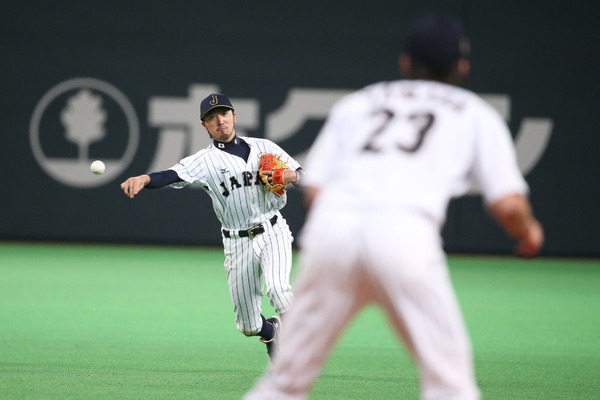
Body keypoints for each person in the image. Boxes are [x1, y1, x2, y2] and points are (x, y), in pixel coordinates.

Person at [243, 14, 544, 400]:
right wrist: (528, 231)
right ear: (462, 66)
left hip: (332, 231)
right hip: (405, 238)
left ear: (405, 62)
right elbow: (507, 205)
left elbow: (315, 189)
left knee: (284, 382)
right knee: (449, 386)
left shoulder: (360, 102)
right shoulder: (474, 112)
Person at [120, 93, 303, 360]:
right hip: (237, 242)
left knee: (278, 289)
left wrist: (292, 176)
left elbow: (304, 174)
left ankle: (301, 351)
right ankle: (271, 331)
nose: (220, 120)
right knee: (248, 326)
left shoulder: (265, 147)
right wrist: (146, 178)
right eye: (211, 117)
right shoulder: (204, 161)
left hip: (272, 228)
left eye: (224, 113)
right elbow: (172, 174)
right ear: (204, 125)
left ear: (234, 117)